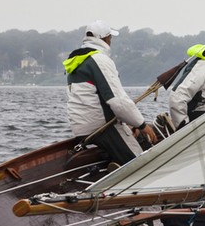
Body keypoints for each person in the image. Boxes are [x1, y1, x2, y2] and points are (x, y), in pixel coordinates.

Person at [65, 19, 159, 165]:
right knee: (142, 163)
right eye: (110, 37)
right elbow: (118, 101)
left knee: (129, 135)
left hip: (81, 130)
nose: (111, 40)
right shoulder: (99, 60)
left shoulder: (76, 61)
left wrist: (129, 123)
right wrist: (142, 125)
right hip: (102, 129)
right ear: (104, 38)